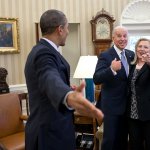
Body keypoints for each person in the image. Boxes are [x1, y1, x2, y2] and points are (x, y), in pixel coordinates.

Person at [24, 9, 103, 150]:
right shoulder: (43, 53)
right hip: (49, 135)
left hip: (52, 130)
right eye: (67, 28)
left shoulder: (43, 49)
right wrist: (67, 95)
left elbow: (50, 81)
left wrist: (67, 88)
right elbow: (49, 77)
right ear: (60, 29)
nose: (67, 32)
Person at [93, 26, 134, 150]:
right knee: (110, 142)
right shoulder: (105, 55)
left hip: (127, 107)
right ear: (113, 38)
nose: (122, 39)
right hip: (111, 108)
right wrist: (111, 69)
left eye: (125, 36)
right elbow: (97, 78)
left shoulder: (131, 55)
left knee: (122, 141)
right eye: (119, 36)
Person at [127, 38, 150, 150]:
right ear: (136, 49)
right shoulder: (131, 65)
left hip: (148, 115)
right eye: (140, 46)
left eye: (146, 47)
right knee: (135, 145)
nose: (142, 49)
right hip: (132, 115)